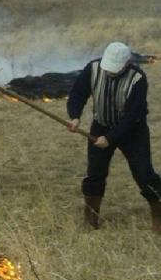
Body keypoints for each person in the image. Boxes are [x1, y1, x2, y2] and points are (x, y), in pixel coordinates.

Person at [67, 42, 161, 233]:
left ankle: (159, 216)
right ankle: (91, 219)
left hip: (132, 131)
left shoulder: (138, 79)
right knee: (95, 174)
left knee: (144, 174)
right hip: (100, 126)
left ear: (126, 64)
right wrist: (75, 116)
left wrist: (110, 138)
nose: (110, 73)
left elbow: (133, 115)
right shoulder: (93, 68)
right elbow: (77, 94)